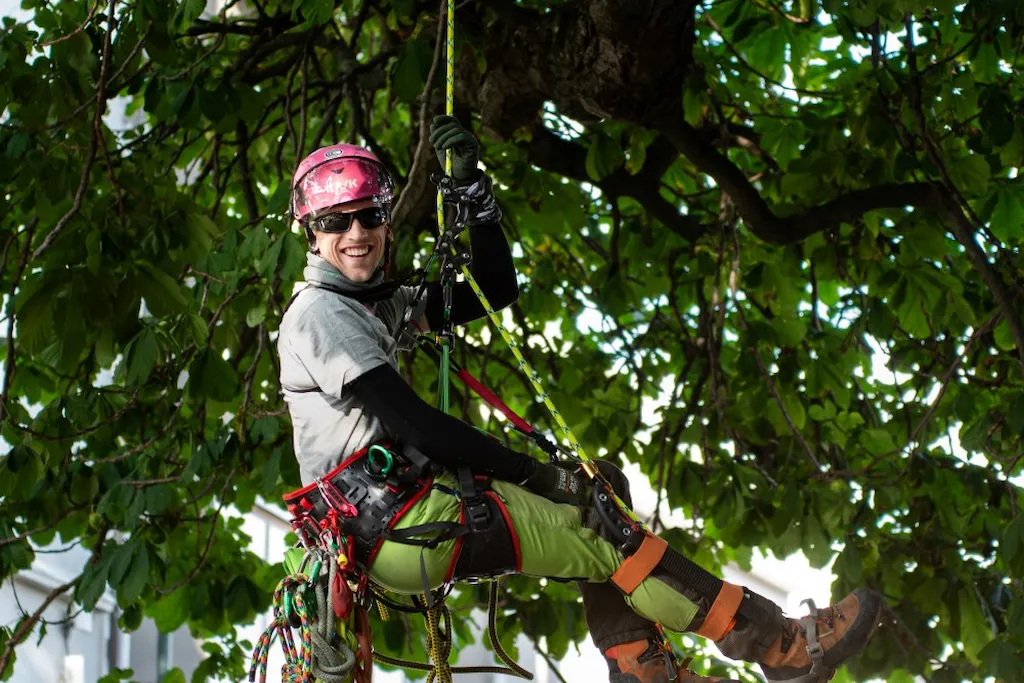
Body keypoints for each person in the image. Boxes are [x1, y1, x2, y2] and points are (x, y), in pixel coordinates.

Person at [276, 116, 883, 683]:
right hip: (397, 520)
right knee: (603, 531)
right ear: (310, 230)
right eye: (337, 221)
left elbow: (492, 289)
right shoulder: (320, 313)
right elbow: (421, 426)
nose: (356, 234)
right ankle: (783, 646)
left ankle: (640, 665)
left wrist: (476, 201)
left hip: (406, 510)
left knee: (603, 484)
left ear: (385, 219)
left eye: (368, 217)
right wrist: (534, 473)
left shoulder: (370, 303)